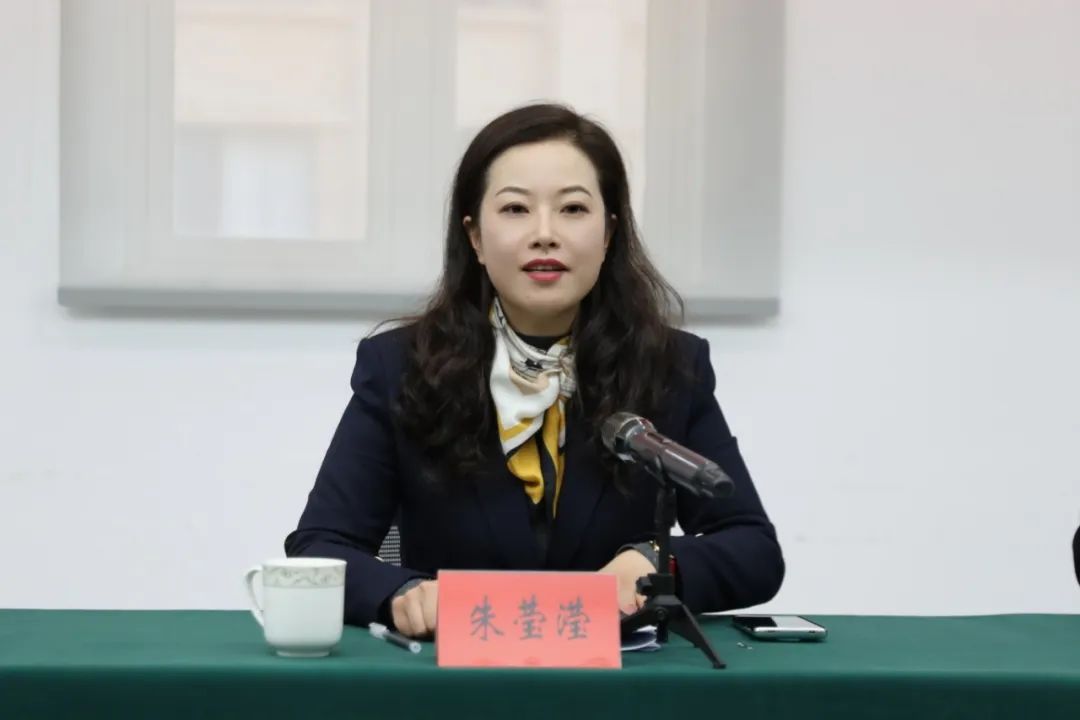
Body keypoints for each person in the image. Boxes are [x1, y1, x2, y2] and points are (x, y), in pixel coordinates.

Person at [285, 103, 784, 638]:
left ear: (608, 233)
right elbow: (320, 547)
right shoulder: (401, 367)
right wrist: (400, 593)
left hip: (615, 674)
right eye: (516, 209)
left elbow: (752, 547)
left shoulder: (668, 367)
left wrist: (655, 561)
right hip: (455, 670)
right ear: (475, 237)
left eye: (572, 209)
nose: (545, 234)